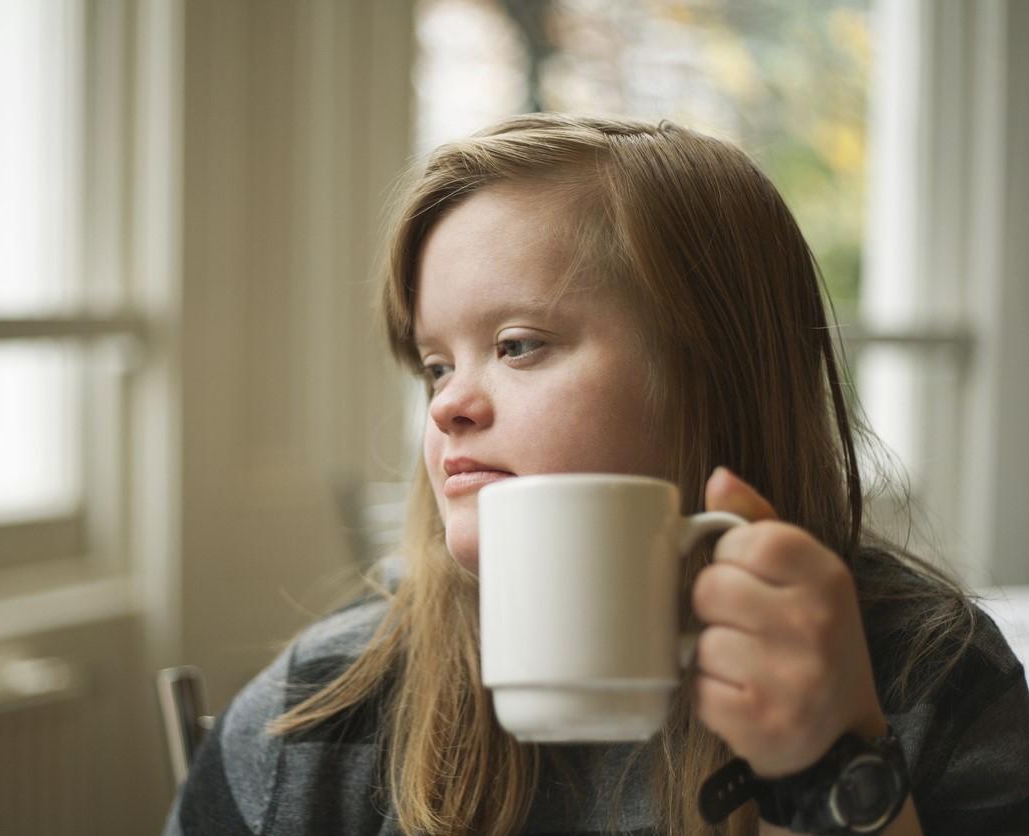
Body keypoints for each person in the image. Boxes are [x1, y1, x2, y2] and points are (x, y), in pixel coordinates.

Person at [164, 114, 1029, 836]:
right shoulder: (321, 706)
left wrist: (835, 765)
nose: (447, 407)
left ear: (711, 375)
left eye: (516, 346)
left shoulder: (925, 679)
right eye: (434, 364)